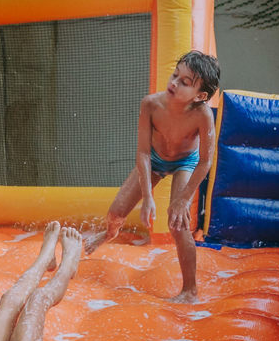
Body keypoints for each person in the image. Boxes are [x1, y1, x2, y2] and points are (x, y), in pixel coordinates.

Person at [83, 50, 220, 303]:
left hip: (185, 163)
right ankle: (109, 233)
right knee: (115, 213)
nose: (174, 82)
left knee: (177, 225)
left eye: (184, 82)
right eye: (175, 75)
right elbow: (143, 153)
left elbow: (205, 161)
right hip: (154, 159)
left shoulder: (202, 115)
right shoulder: (151, 104)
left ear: (200, 96)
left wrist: (182, 199)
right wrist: (147, 196)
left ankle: (190, 290)